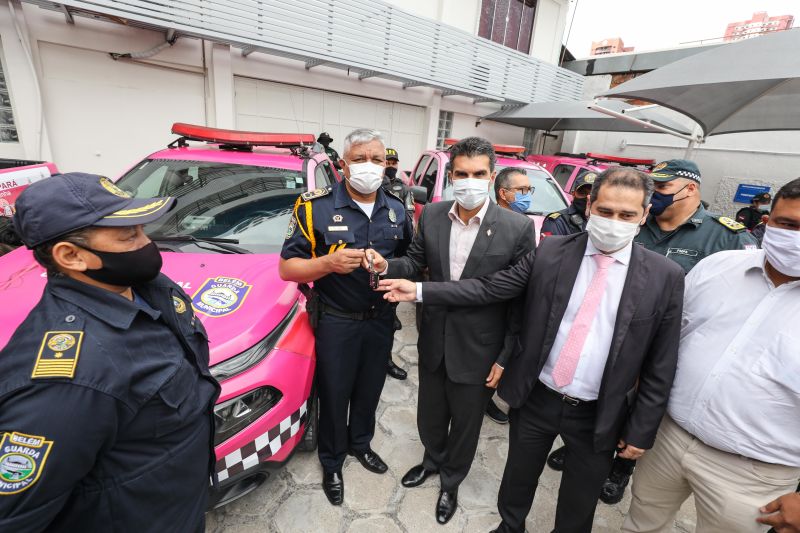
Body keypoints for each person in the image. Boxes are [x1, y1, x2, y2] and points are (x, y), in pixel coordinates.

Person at [382, 167, 685, 533]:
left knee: (578, 501)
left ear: (645, 213)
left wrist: (641, 430)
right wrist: (418, 290)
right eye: (605, 211)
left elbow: (661, 363)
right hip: (537, 398)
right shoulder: (552, 252)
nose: (613, 222)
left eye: (626, 215)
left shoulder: (665, 275)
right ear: (590, 206)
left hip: (599, 412)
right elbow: (490, 288)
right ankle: (510, 527)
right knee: (517, 481)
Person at [0, 173, 219, 532]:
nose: (148, 244)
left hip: (175, 508)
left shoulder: (146, 287)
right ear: (71, 256)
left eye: (142, 230)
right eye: (129, 235)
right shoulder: (68, 379)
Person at [557, 159, 759, 505]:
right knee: (600, 398)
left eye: (664, 188)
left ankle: (621, 469)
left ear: (690, 189)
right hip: (615, 338)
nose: (656, 194)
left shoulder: (725, 236)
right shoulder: (636, 222)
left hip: (673, 344)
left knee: (642, 412)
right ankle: (581, 446)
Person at [367, 137, 535, 524]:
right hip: (433, 336)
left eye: (478, 174)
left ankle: (452, 480)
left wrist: (506, 355)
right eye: (462, 173)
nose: (469, 181)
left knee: (466, 420)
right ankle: (431, 460)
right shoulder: (434, 215)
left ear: (492, 177)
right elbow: (414, 263)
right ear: (451, 176)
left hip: (480, 346)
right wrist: (384, 266)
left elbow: (517, 299)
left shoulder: (517, 227)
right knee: (430, 411)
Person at [623, 178, 800, 533]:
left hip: (754, 474)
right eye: (789, 224)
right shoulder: (719, 267)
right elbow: (663, 344)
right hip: (667, 440)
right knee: (640, 524)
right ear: (768, 221)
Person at [280, 128, 413, 506]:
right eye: (359, 159)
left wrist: (392, 266)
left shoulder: (397, 209)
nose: (368, 166)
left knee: (369, 390)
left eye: (376, 159)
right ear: (343, 164)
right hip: (336, 320)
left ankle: (361, 445)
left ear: (387, 165)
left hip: (381, 319)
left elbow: (410, 261)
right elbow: (288, 269)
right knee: (335, 394)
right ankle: (332, 461)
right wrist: (327, 263)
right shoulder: (313, 205)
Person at [636, 159, 758, 272]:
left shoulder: (729, 238)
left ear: (690, 189)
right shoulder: (634, 223)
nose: (652, 192)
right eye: (650, 186)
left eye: (662, 186)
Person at [382, 147, 414, 381]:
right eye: (387, 160)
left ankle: (386, 359)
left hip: (389, 265)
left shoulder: (402, 189)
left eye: (394, 160)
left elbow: (408, 217)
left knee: (388, 321)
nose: (390, 164)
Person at [540, 171, 596, 237]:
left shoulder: (606, 223)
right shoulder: (557, 222)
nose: (588, 198)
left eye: (593, 194)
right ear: (573, 194)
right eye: (582, 193)